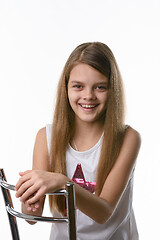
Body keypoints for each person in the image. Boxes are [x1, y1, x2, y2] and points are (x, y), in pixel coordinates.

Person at [15, 42, 141, 240]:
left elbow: (104, 212)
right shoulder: (45, 137)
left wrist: (64, 183)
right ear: (66, 88)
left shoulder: (127, 138)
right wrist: (30, 202)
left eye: (100, 87)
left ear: (112, 89)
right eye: (78, 86)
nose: (88, 96)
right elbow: (32, 218)